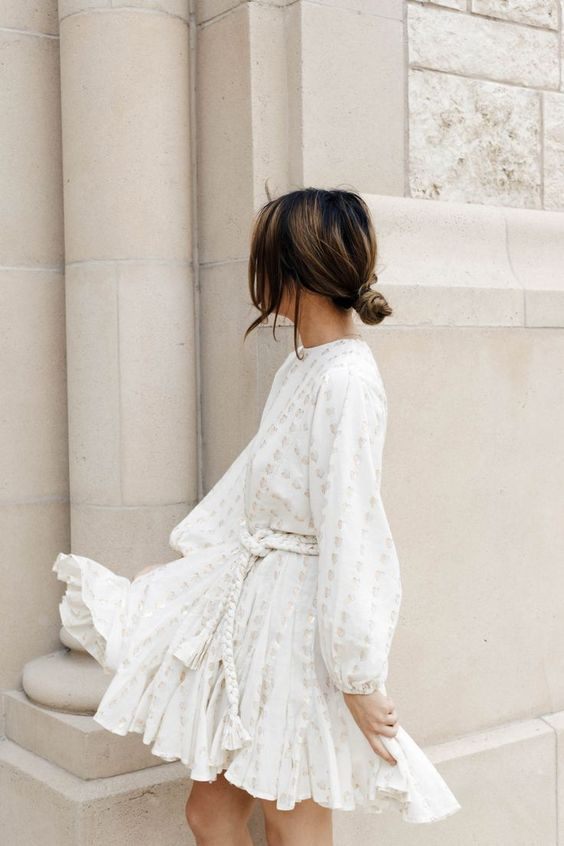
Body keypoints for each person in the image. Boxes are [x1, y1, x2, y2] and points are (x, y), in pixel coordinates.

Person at [52, 188, 461, 845]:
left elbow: (352, 531)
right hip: (254, 621)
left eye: (263, 257)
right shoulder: (301, 371)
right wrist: (191, 575)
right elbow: (250, 494)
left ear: (293, 272)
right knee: (210, 816)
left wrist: (356, 677)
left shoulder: (347, 383)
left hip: (302, 639)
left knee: (292, 827)